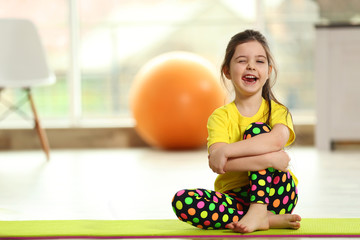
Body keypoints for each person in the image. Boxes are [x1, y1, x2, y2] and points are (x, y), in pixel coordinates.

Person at [172, 29, 301, 233]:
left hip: (276, 195)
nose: (251, 65)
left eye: (259, 61)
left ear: (268, 71)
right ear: (227, 71)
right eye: (242, 60)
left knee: (257, 130)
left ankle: (261, 211)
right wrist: (268, 160)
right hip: (235, 199)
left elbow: (276, 141)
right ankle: (268, 220)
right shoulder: (220, 117)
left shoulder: (278, 111)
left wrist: (227, 152)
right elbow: (218, 164)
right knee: (183, 201)